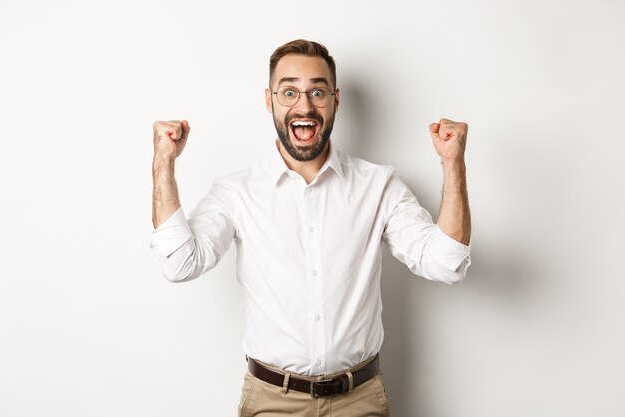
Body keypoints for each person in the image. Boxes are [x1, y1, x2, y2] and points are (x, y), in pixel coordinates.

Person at [150, 39, 472, 417]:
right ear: (270, 101)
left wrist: (453, 163)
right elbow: (180, 264)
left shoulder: (379, 185)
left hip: (360, 401)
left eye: (317, 91)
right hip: (272, 402)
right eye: (289, 92)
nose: (304, 106)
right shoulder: (236, 192)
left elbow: (446, 264)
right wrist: (163, 163)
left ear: (335, 100)